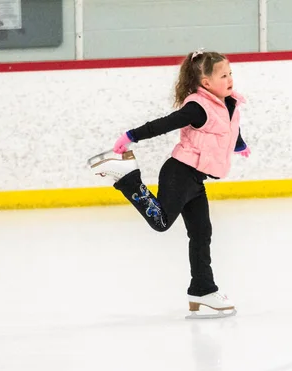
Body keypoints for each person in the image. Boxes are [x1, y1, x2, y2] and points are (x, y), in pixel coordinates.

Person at [89, 49, 251, 318]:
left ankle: (203, 290)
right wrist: (132, 136)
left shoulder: (229, 102)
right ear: (206, 83)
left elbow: (230, 127)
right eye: (223, 75)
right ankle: (127, 177)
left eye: (230, 73)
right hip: (180, 173)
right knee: (161, 222)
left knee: (201, 233)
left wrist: (239, 145)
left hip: (195, 177)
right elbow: (165, 124)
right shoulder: (197, 107)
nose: (230, 79)